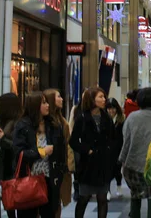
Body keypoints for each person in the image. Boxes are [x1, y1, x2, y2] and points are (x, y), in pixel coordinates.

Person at [119, 88, 151, 218]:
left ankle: (134, 215)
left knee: (135, 194)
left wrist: (122, 159)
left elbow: (126, 139)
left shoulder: (132, 117)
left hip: (133, 162)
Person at [12, 91, 61, 218]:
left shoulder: (52, 125)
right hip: (29, 180)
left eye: (46, 102)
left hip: (49, 180)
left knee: (49, 213)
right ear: (35, 106)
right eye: (43, 103)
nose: (48, 106)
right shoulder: (23, 126)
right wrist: (42, 152)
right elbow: (20, 153)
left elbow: (60, 150)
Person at [69, 88, 114, 218]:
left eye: (104, 97)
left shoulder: (106, 118)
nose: (104, 100)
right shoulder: (82, 118)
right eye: (100, 97)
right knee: (84, 198)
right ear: (92, 99)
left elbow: (112, 138)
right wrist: (86, 150)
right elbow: (73, 141)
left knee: (102, 198)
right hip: (87, 165)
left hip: (103, 163)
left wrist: (110, 153)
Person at [43, 89, 74, 217]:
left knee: (57, 205)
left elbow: (67, 146)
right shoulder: (44, 123)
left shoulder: (63, 123)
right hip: (46, 170)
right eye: (58, 97)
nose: (62, 99)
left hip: (60, 171)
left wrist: (69, 166)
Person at [0, 93, 20, 218]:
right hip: (5, 164)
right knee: (7, 199)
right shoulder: (3, 121)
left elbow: (16, 145)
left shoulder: (18, 122)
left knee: (17, 197)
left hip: (15, 164)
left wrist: (3, 138)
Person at [106, 98, 125, 199]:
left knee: (117, 169)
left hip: (118, 148)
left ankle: (119, 186)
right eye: (109, 108)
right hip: (107, 149)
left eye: (113, 108)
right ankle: (107, 191)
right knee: (107, 170)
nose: (111, 111)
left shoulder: (121, 120)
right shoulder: (104, 119)